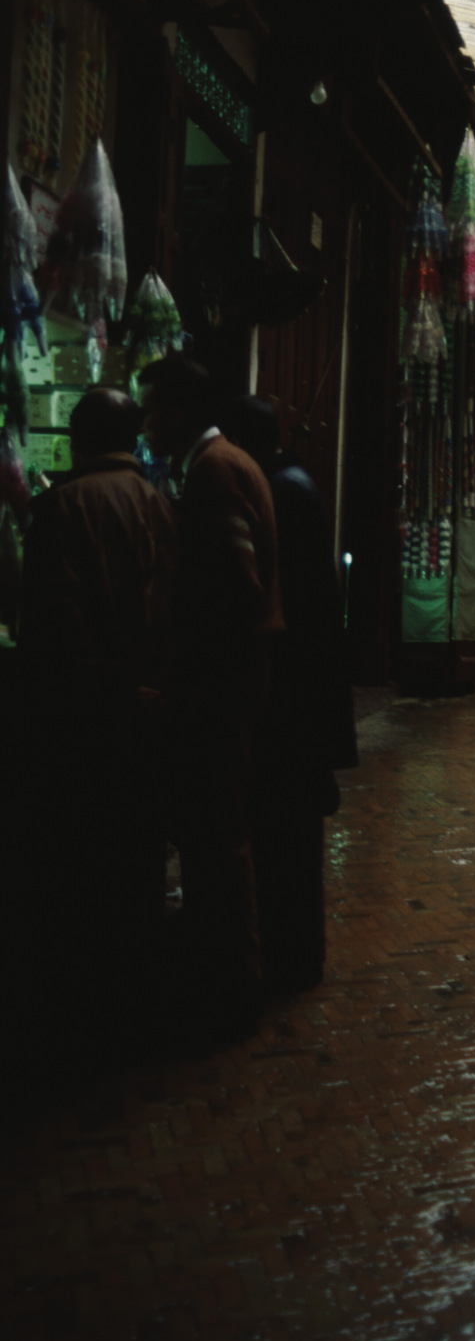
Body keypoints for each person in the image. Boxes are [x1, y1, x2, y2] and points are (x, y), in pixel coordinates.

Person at [17, 389, 177, 1062]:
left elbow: (52, 628)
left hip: (87, 716)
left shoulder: (62, 507)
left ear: (78, 439)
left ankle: (86, 1018)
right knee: (139, 863)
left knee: (83, 868)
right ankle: (140, 1007)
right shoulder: (162, 506)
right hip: (152, 711)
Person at [138, 354, 282, 1043]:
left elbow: (233, 588)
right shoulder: (222, 465)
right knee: (216, 834)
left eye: (149, 412)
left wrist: (189, 673)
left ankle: (230, 991)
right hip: (227, 677)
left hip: (220, 684)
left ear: (173, 414)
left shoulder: (215, 472)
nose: (145, 427)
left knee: (216, 837)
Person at [222, 397, 356, 994]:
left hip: (293, 694)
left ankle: (293, 957)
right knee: (292, 835)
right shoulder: (293, 484)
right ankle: (297, 954)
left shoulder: (282, 492)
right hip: (305, 693)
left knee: (287, 835)